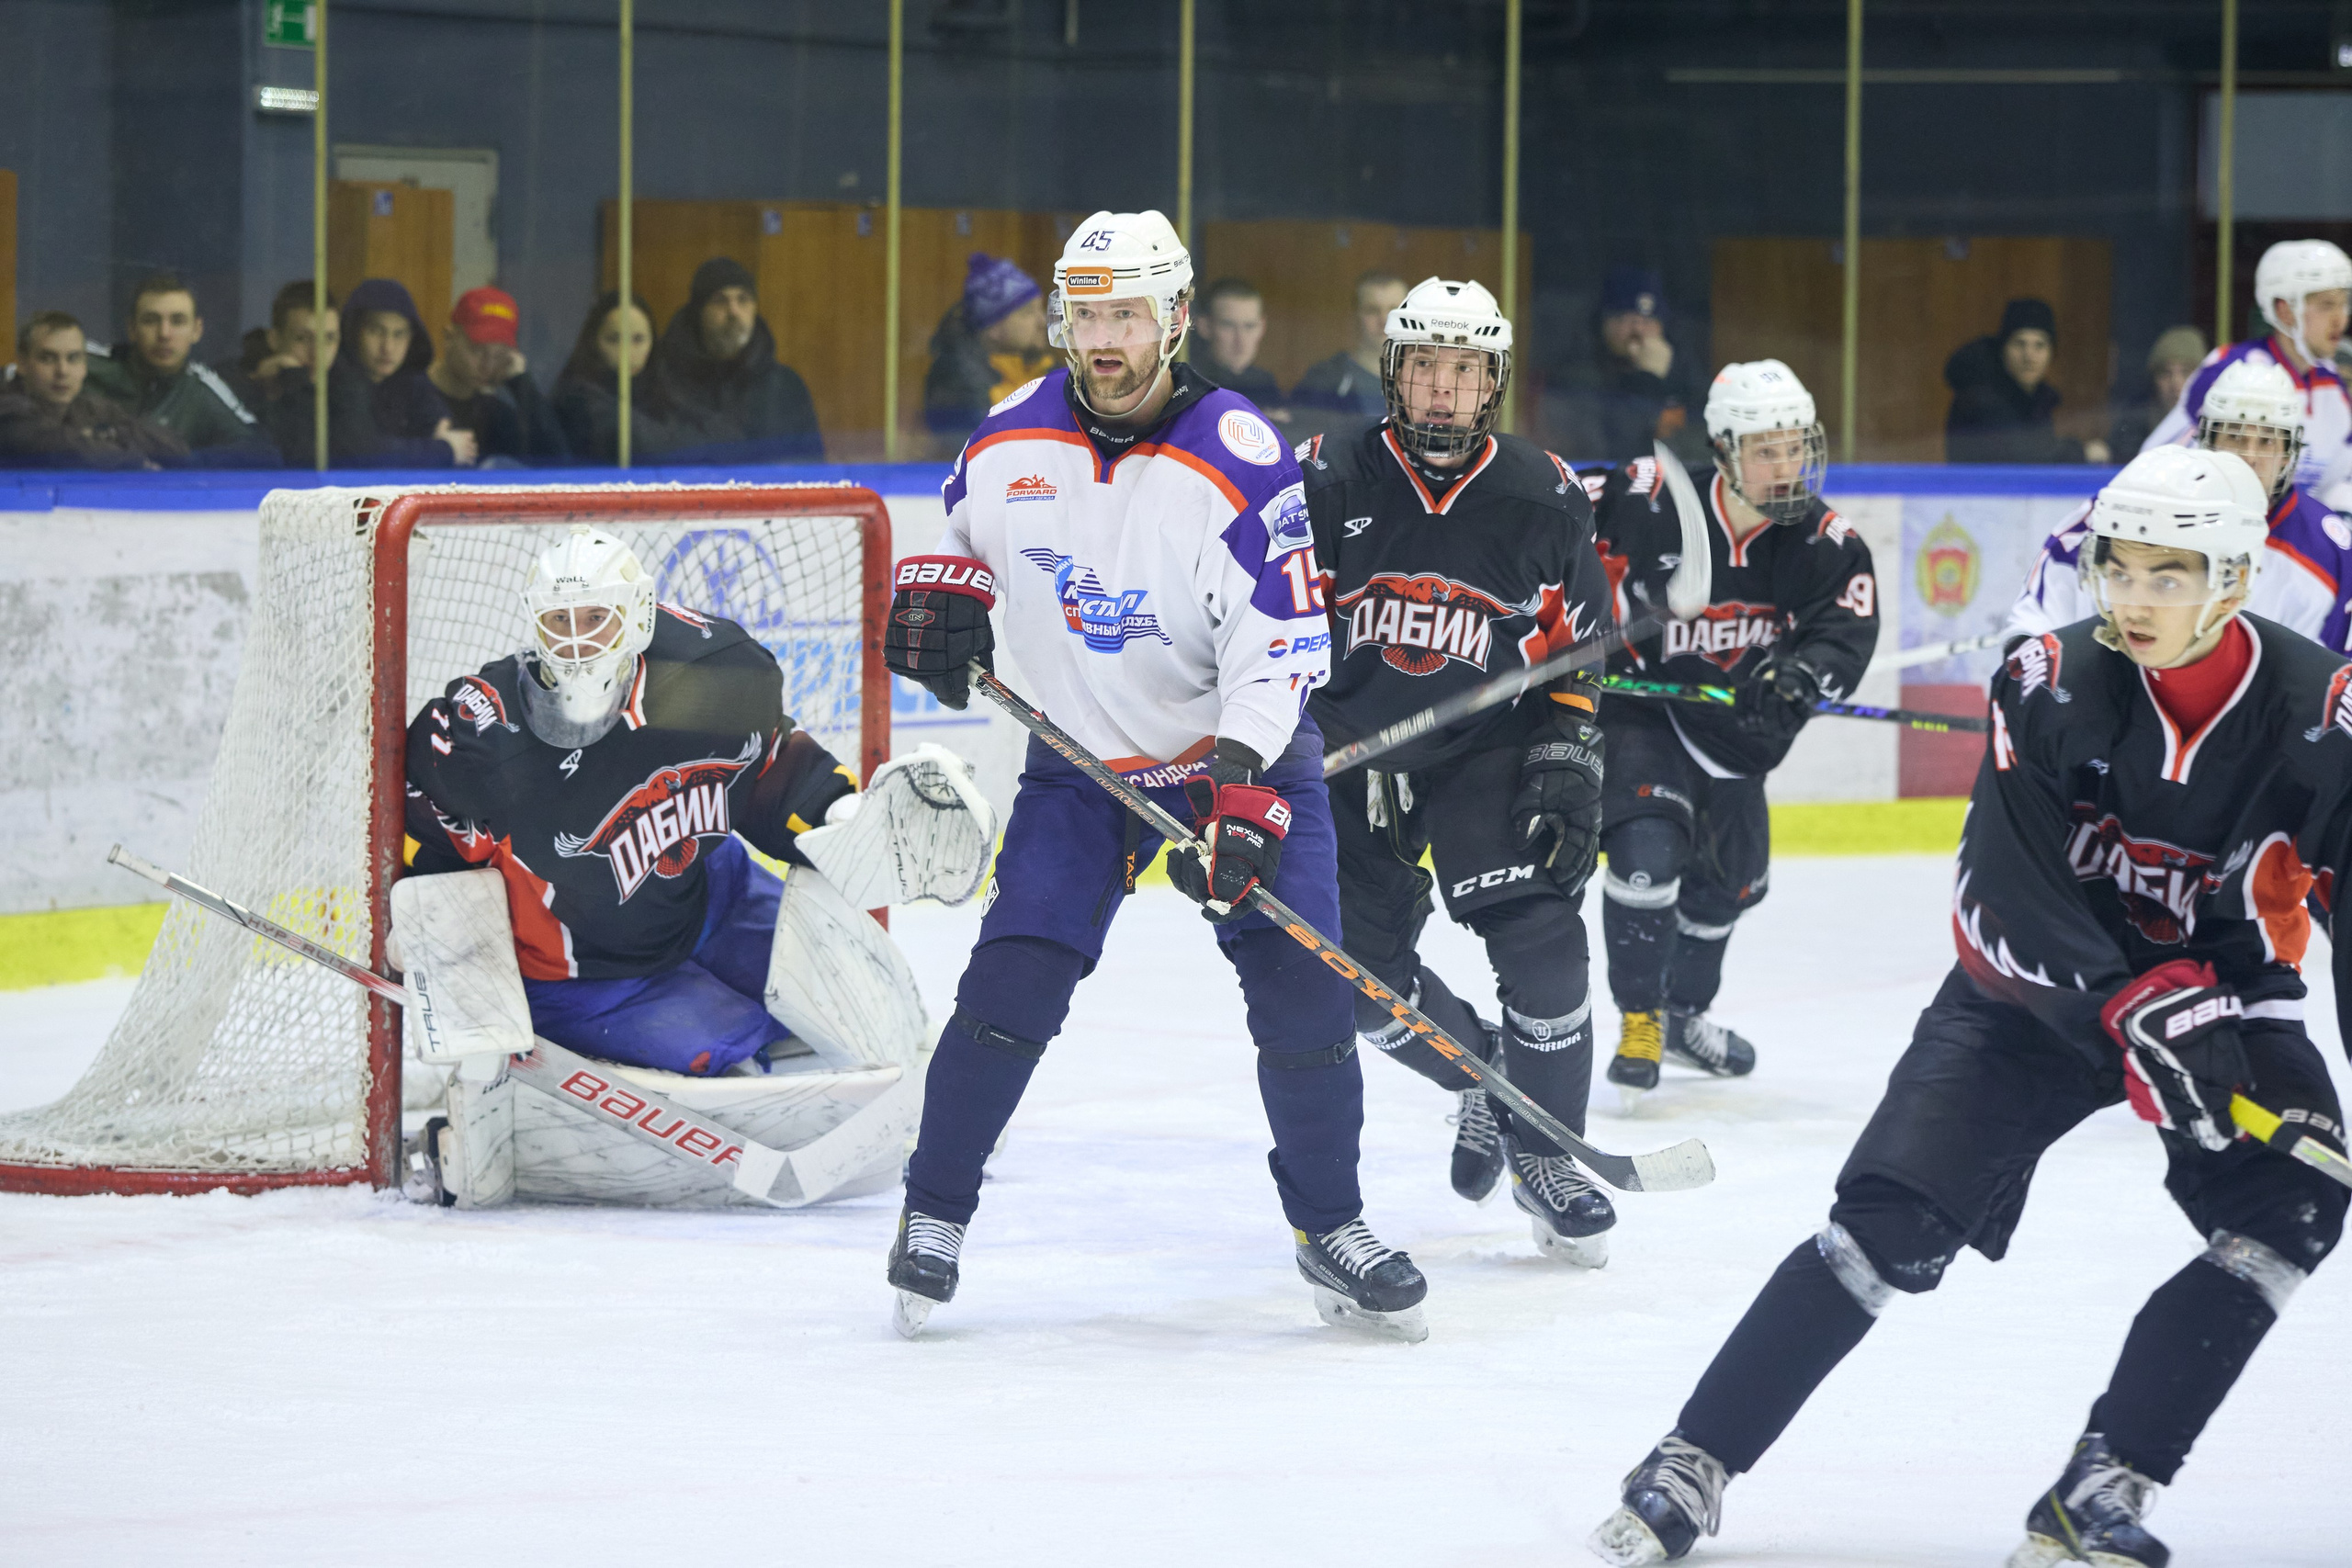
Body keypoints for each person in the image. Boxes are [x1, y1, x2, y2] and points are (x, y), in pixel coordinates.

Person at [1588, 444, 2352, 1568]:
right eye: (2118, 570)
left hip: (2227, 999)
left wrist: (2197, 1019)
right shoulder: (2047, 678)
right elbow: (2001, 891)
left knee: (2292, 1209)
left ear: (2232, 581)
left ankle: (2102, 1487)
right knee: (1879, 1230)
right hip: (2030, 1001)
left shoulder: (2323, 712)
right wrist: (2130, 1001)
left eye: (2166, 577)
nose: (2131, 601)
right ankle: (1692, 1458)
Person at [880, 209, 1427, 1342]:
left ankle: (1330, 1225)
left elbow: (1280, 647)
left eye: (1128, 313)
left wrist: (1240, 790)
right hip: (1081, 765)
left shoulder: (1239, 457)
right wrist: (937, 611)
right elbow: (953, 548)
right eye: (1086, 313)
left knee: (1303, 997)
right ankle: (933, 1213)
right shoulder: (1003, 439)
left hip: (1237, 755)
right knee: (1011, 984)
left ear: (1175, 319)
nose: (1105, 338)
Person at [1299, 276, 1619, 1263]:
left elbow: (1579, 643)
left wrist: (1565, 749)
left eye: (1464, 372)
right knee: (1355, 984)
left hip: (1486, 745)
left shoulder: (1540, 490)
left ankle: (1549, 1154)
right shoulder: (1325, 478)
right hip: (1343, 757)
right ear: (1393, 374)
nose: (1443, 391)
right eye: (1426, 368)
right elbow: (1256, 628)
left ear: (1494, 384)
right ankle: (1483, 1077)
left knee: (1542, 945)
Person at [402, 527, 864, 1077]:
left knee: (844, 999)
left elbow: (764, 760)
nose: (577, 643)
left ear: (637, 613)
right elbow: (436, 842)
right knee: (732, 1057)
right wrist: (422, 932)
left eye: (595, 618)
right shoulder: (493, 741)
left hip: (711, 895)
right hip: (583, 974)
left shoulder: (714, 671)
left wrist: (837, 809)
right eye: (559, 621)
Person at [1585, 361, 1880, 1103]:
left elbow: (1842, 633)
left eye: (1796, 446)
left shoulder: (1825, 542)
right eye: (1766, 449)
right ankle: (1642, 1019)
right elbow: (1546, 508)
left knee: (1735, 885)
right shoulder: (1649, 499)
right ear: (1722, 450)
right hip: (1643, 709)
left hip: (1735, 732)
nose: (1788, 466)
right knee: (1647, 857)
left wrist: (1802, 678)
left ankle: (1685, 1016)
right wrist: (1624, 593)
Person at [2012, 358, 2352, 657]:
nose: (2249, 457)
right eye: (2234, 436)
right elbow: (2042, 608)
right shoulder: (2137, 506)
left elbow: (2334, 682)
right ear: (2207, 441)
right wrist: (2028, 650)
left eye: (2266, 441)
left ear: (2289, 452)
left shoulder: (2328, 549)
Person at [2145, 239, 2352, 508]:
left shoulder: (2332, 385)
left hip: (2288, 542)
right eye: (2326, 305)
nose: (2340, 319)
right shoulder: (2231, 373)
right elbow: (2155, 466)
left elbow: (2337, 482)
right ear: (2285, 310)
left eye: (2343, 304)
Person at [82, 272, 278, 465]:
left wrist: (182, 460)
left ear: (196, 330)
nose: (164, 334)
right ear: (132, 329)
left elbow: (261, 450)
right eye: (151, 320)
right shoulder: (84, 365)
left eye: (177, 321)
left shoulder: (200, 388)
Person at [650, 257, 823, 462]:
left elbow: (811, 465)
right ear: (699, 312)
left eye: (743, 299)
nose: (733, 312)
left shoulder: (784, 386)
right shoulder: (666, 381)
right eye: (720, 300)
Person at [1550, 265, 1712, 465]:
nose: (1638, 330)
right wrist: (1646, 378)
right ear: (1604, 323)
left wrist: (1669, 375)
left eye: (1648, 319)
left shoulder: (1681, 368)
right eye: (1626, 318)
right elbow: (1614, 449)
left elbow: (1705, 442)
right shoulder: (1579, 374)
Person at [551, 291, 721, 465]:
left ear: (652, 343)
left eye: (638, 339)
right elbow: (644, 444)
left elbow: (723, 435)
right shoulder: (578, 397)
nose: (628, 353)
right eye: (614, 339)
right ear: (594, 343)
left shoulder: (666, 388)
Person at [0, 311, 187, 468]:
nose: (62, 371)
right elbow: (69, 451)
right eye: (48, 358)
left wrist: (112, 433)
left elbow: (176, 450)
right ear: (22, 364)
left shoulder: (91, 407)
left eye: (73, 358)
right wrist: (133, 457)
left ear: (84, 366)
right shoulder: (8, 411)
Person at [1945, 298, 2110, 465]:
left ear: (2051, 353)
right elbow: (2023, 454)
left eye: (2039, 345)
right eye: (2019, 344)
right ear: (2003, 350)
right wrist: (2082, 452)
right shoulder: (1981, 394)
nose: (2029, 356)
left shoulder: (2038, 398)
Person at [922, 253, 1055, 448]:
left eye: (1040, 309)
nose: (1042, 321)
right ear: (993, 326)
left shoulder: (1045, 368)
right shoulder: (956, 383)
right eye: (1027, 313)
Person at [339, 278, 476, 468]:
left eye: (398, 334)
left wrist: (421, 449)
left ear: (411, 337)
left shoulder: (412, 383)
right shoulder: (336, 381)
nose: (387, 347)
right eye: (376, 331)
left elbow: (463, 446)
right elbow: (363, 452)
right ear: (353, 332)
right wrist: (442, 450)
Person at [427, 287, 570, 467]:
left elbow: (558, 463)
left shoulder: (495, 414)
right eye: (478, 350)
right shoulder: (407, 396)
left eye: (499, 356)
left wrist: (520, 382)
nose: (487, 365)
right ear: (449, 338)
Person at [1289, 270, 1408, 436]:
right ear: (1355, 315)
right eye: (1372, 310)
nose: (1384, 320)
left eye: (1393, 310)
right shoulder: (1324, 379)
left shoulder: (1424, 379)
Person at [1187, 276, 1286, 413]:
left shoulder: (1266, 384)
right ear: (1205, 327)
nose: (1241, 340)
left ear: (1262, 327)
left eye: (1250, 326)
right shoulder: (1191, 383)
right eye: (1228, 325)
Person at [2107, 325, 2207, 458]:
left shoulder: (2213, 423)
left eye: (2186, 372)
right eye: (2165, 373)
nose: (2175, 383)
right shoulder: (2135, 421)